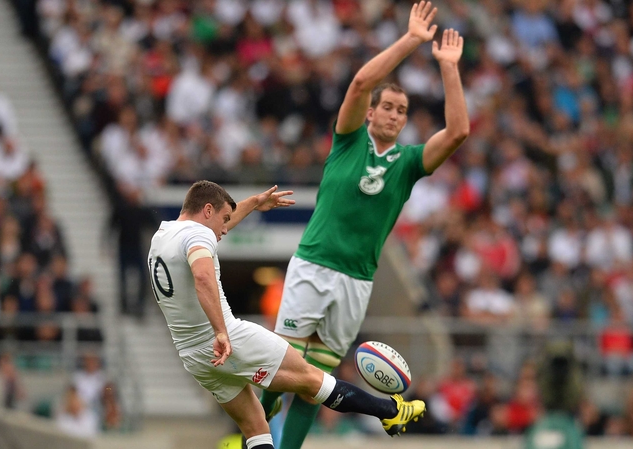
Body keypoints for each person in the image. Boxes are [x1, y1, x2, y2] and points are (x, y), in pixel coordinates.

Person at [260, 2, 469, 448]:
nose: (393, 114)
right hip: (314, 264)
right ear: (371, 113)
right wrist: (412, 40)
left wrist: (448, 67)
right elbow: (360, 83)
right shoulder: (349, 140)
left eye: (401, 110)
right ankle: (256, 424)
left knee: (317, 381)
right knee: (283, 367)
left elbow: (457, 133)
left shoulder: (409, 163)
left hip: (357, 280)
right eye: (387, 106)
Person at [147, 181, 426, 449]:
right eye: (224, 219)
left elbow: (209, 235)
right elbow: (203, 276)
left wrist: (253, 203)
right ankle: (390, 411)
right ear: (207, 210)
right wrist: (220, 331)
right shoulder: (200, 234)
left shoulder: (162, 237)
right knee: (312, 378)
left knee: (256, 427)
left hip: (193, 356)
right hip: (226, 339)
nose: (224, 230)